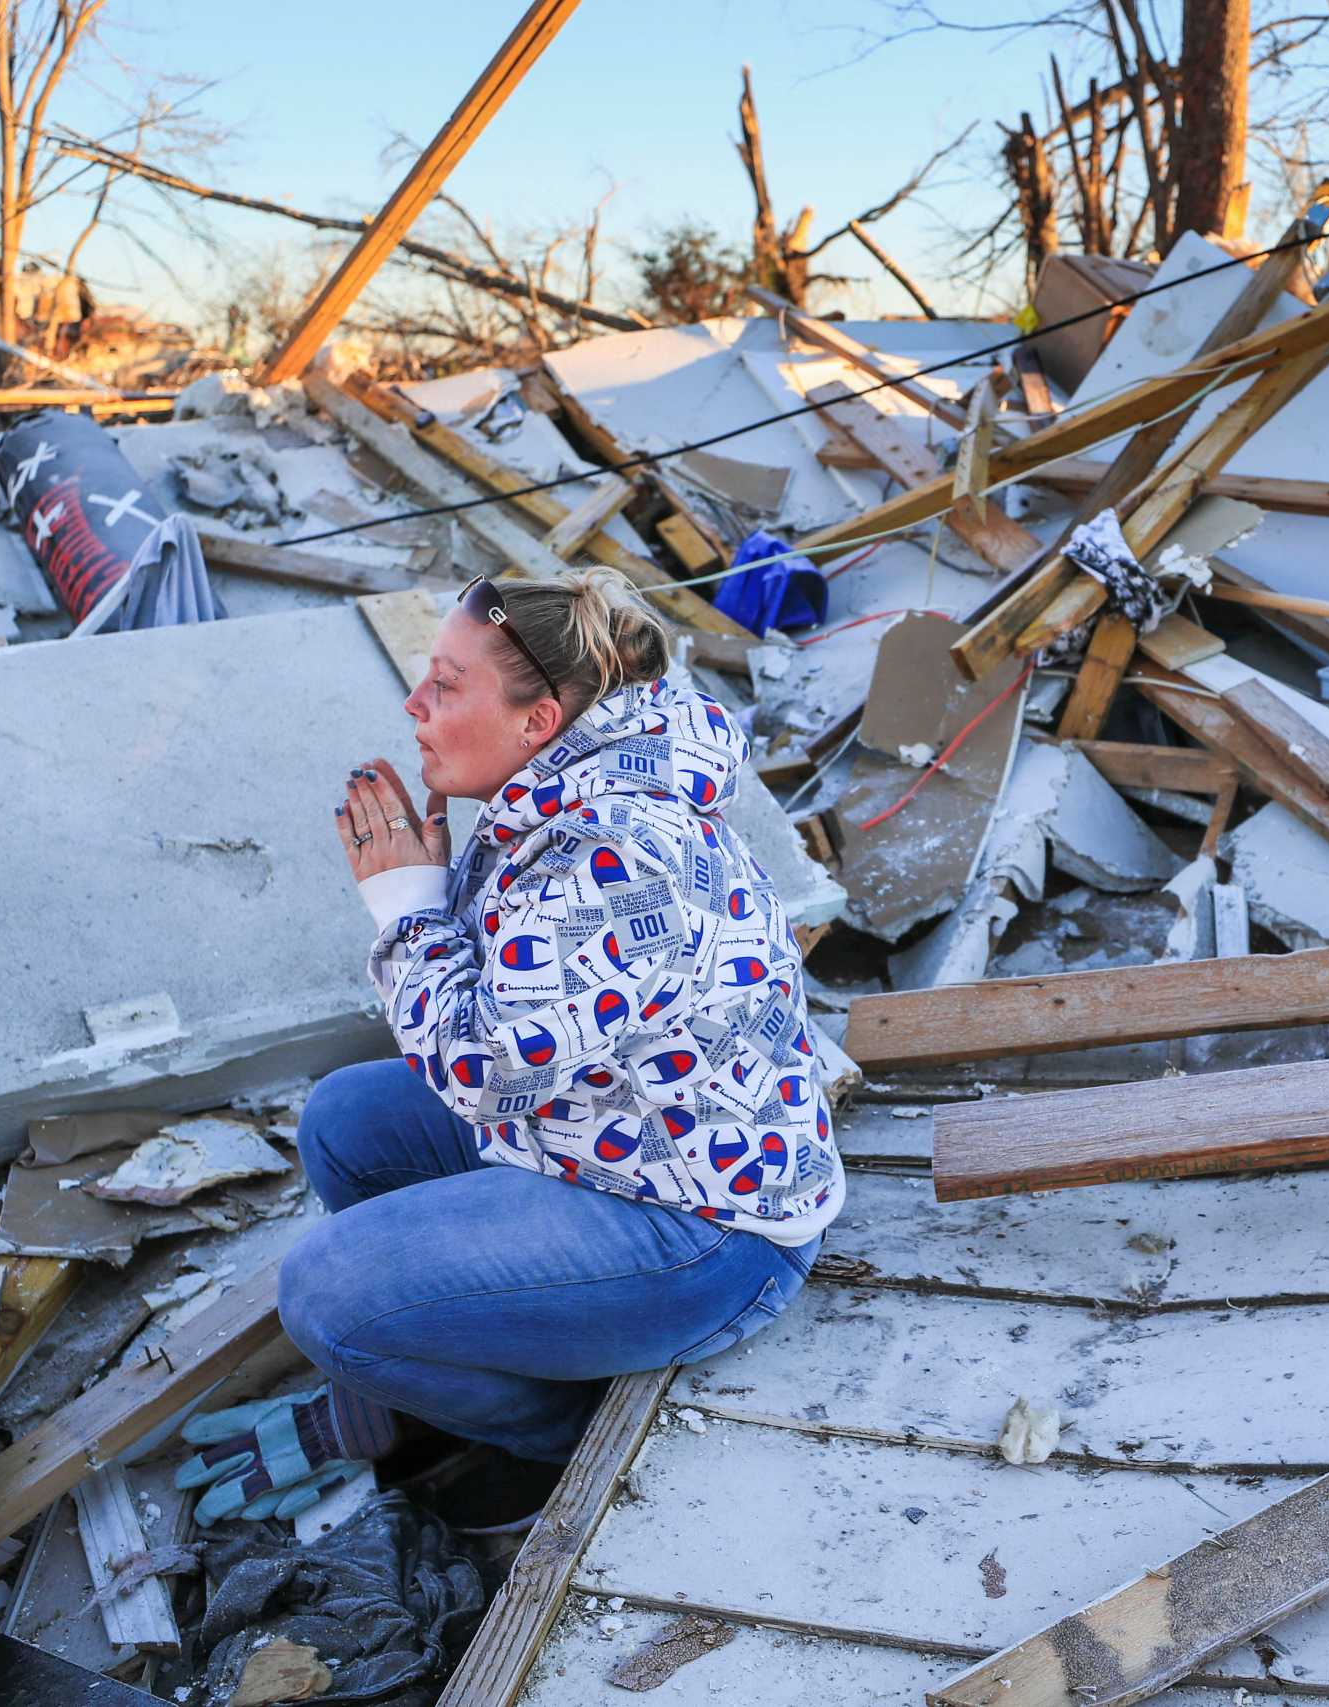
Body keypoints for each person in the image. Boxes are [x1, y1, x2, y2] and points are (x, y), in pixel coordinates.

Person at [176, 567, 843, 1530]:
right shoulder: (571, 785)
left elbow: (482, 1071)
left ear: (537, 722)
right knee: (345, 1122)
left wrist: (405, 907)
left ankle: (550, 1438)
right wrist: (432, 891)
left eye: (446, 686)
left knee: (323, 1293)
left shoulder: (620, 849)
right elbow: (524, 990)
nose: (414, 704)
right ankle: (463, 1350)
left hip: (704, 1233)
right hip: (617, 1135)